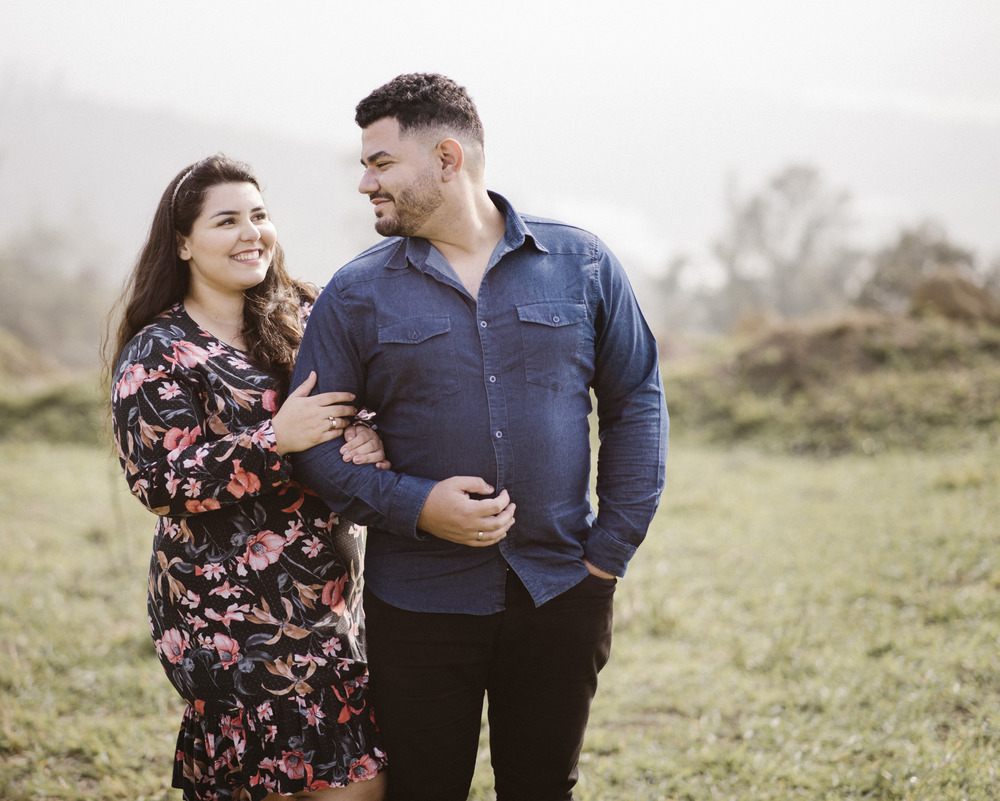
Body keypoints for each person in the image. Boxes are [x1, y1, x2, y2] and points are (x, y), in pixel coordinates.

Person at [288, 74, 669, 801]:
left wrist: (607, 556)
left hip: (562, 589)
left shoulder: (581, 263)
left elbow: (637, 401)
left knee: (541, 788)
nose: (365, 182)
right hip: (418, 603)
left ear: (447, 157)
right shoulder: (355, 292)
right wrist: (416, 505)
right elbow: (314, 446)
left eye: (380, 162)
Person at [107, 155, 387, 801]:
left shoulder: (308, 310)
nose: (250, 233)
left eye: (259, 215)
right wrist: (274, 440)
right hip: (228, 619)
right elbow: (158, 481)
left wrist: (371, 431)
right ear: (183, 242)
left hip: (329, 603)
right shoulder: (160, 350)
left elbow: (366, 394)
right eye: (226, 220)